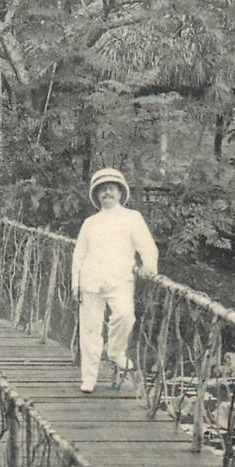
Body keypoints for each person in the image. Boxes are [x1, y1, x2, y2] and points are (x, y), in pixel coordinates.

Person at [71, 168, 159, 393]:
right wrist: (76, 283)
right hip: (90, 280)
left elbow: (147, 246)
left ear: (120, 193)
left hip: (120, 279)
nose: (107, 193)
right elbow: (79, 255)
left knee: (125, 315)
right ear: (97, 195)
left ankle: (115, 351)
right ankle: (89, 378)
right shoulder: (90, 222)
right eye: (102, 189)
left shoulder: (132, 218)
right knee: (90, 331)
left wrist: (149, 266)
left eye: (111, 188)